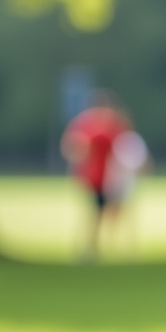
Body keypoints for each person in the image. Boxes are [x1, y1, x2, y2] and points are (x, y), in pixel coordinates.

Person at [60, 90, 130, 260]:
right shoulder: (88, 124)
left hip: (109, 177)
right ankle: (89, 247)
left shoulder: (113, 124)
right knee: (96, 213)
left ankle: (95, 247)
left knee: (107, 212)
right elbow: (72, 147)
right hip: (94, 177)